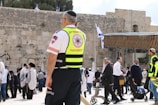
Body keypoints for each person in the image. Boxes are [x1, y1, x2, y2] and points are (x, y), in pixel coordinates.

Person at [45, 10, 86, 105]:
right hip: (76, 73)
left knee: (53, 101)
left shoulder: (60, 34)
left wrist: (49, 76)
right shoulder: (83, 35)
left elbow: (52, 57)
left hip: (61, 74)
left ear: (64, 20)